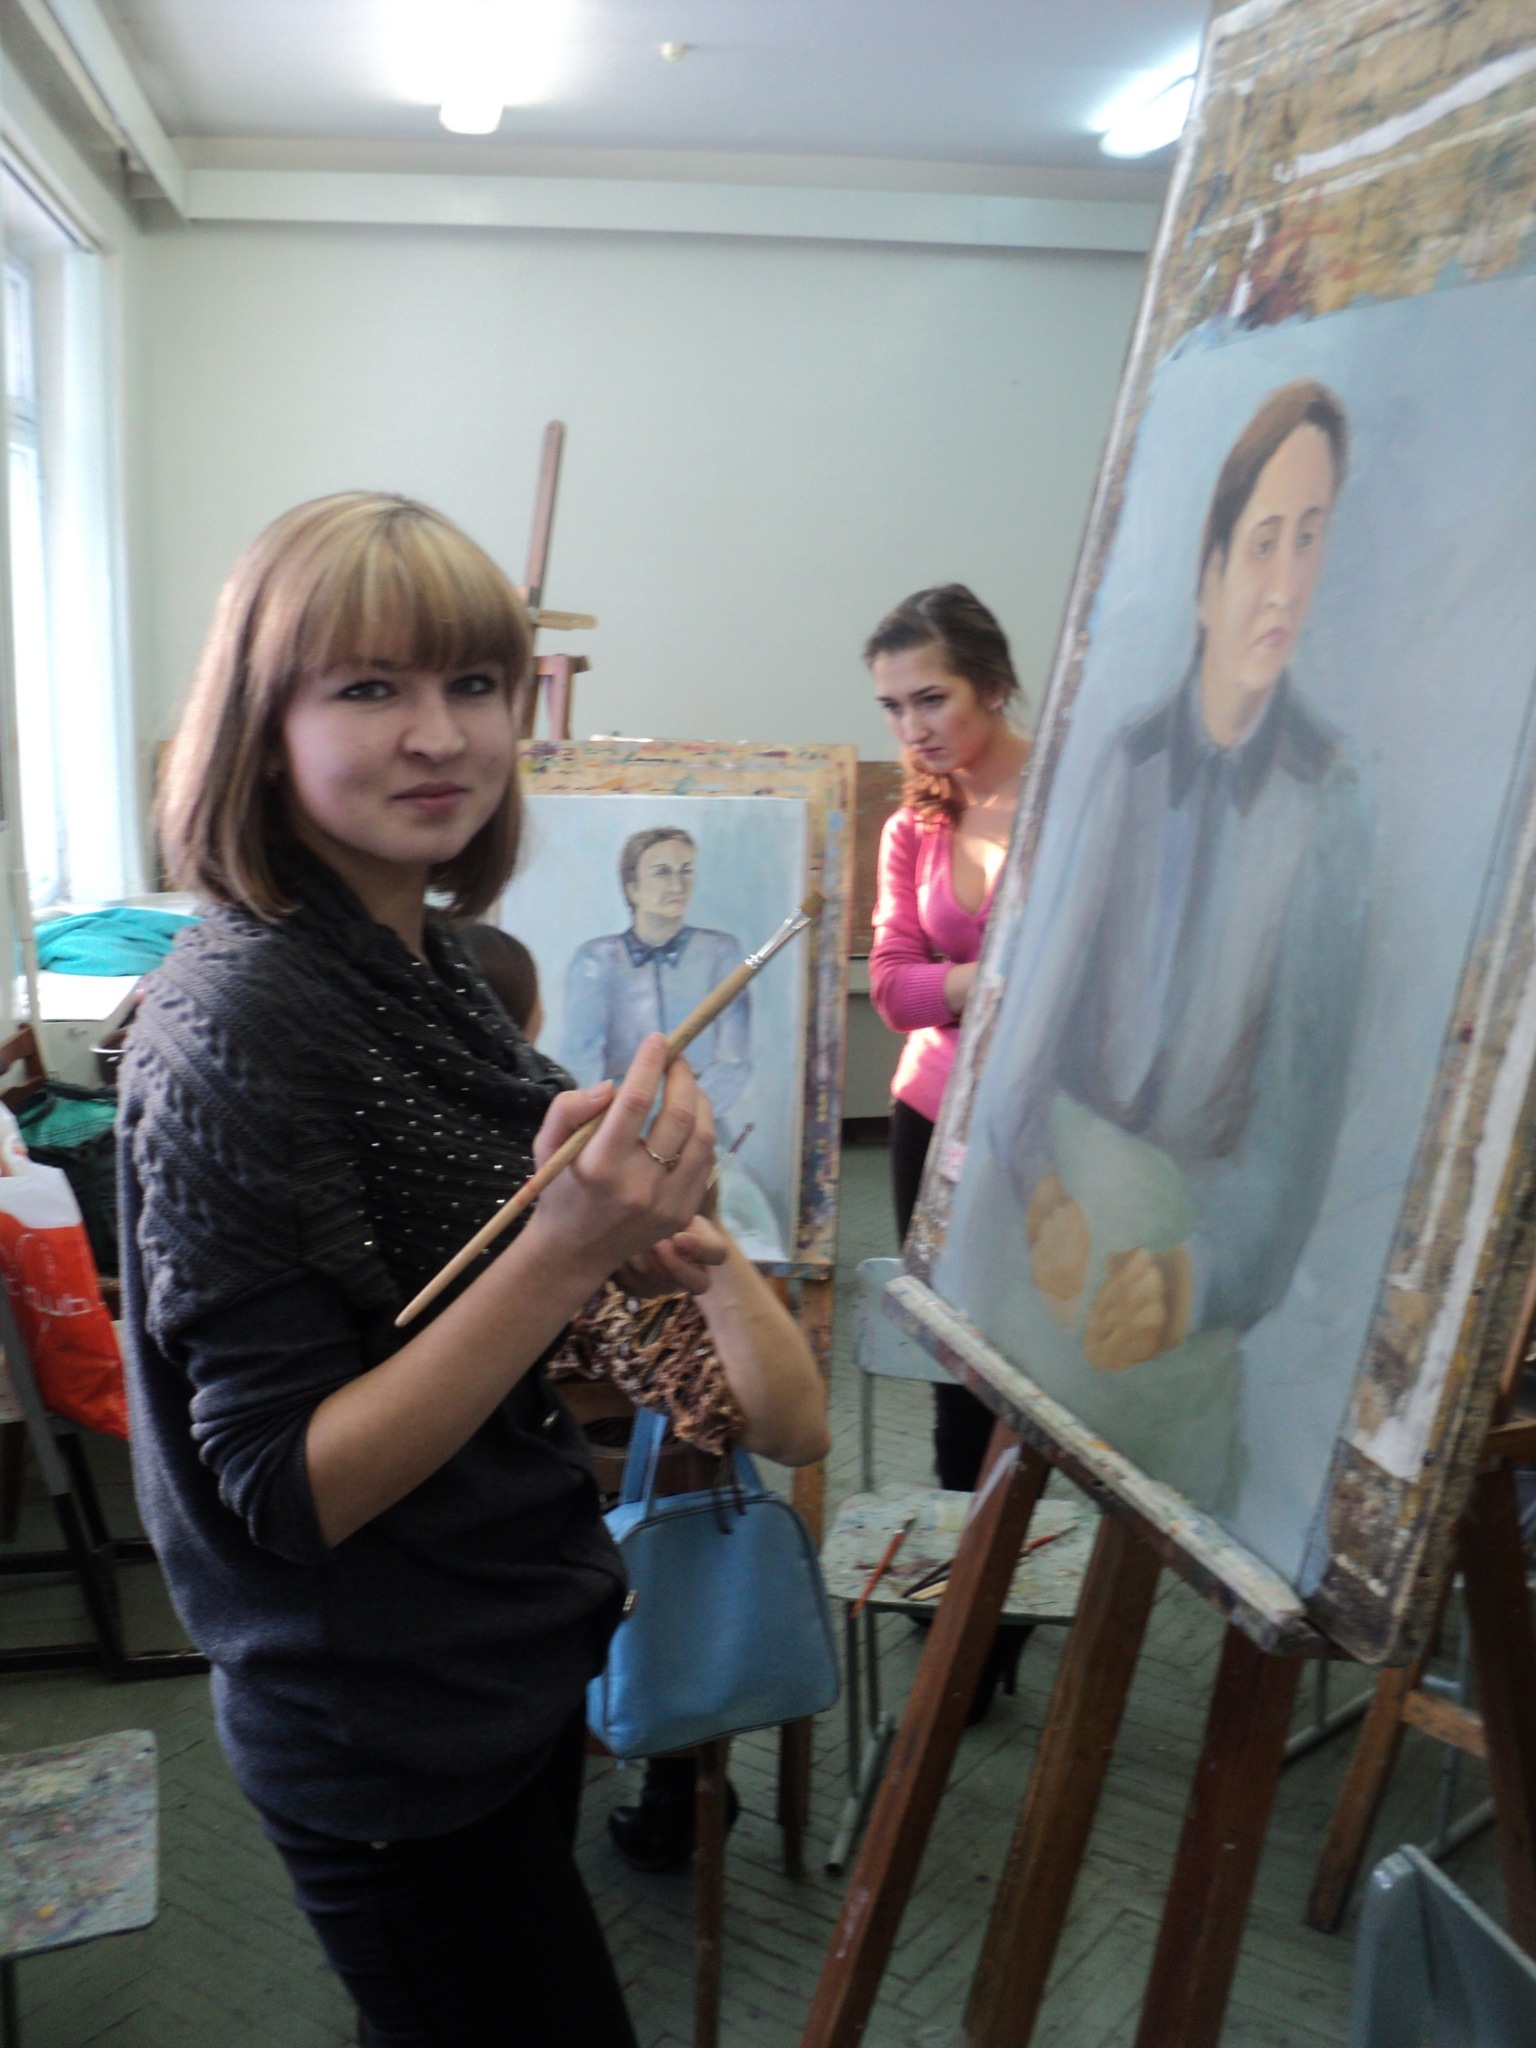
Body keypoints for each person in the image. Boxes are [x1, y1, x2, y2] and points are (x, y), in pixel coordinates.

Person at [120, 491, 828, 2048]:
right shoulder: (240, 1025)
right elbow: (289, 1489)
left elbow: (468, 1266)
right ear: (261, 725)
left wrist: (598, 1215)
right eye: (369, 687)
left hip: (492, 1662)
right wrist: (560, 1254)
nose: (440, 734)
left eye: (476, 684)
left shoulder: (420, 954)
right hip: (383, 1722)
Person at [954, 381, 1368, 1510]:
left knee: (1197, 1517)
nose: (1285, 581)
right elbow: (1032, 1022)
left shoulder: (1328, 801)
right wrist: (1037, 1180)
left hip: (1189, 1276)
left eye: (1311, 538)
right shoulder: (1124, 762)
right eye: (1264, 541)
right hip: (1065, 1238)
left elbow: (1300, 1123)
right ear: (1208, 569)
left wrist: (1196, 1279)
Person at [866, 584, 1030, 1489]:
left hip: (1048, 1116)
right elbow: (893, 990)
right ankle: (965, 1562)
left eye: (931, 699)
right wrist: (990, 981)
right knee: (951, 1361)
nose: (911, 728)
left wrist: (951, 986)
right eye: (893, 707)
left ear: (993, 684)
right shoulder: (916, 825)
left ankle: (1040, 1549)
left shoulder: (1075, 802)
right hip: (931, 1113)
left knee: (1051, 1355)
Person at [562, 829, 749, 1134]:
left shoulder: (720, 952)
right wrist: (625, 1118)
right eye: (662, 873)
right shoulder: (595, 960)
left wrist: (679, 1116)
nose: (677, 885)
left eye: (685, 871)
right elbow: (580, 1064)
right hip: (615, 1127)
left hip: (700, 1125)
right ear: (632, 888)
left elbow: (733, 1062)